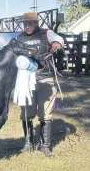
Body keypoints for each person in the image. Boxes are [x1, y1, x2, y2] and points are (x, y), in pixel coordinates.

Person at [16, 12, 64, 157]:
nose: (27, 26)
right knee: (26, 113)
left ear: (36, 23)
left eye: (30, 23)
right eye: (25, 23)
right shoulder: (19, 38)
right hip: (26, 80)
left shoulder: (46, 33)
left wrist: (56, 44)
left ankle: (45, 146)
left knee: (46, 114)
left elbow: (59, 39)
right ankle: (28, 143)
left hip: (45, 78)